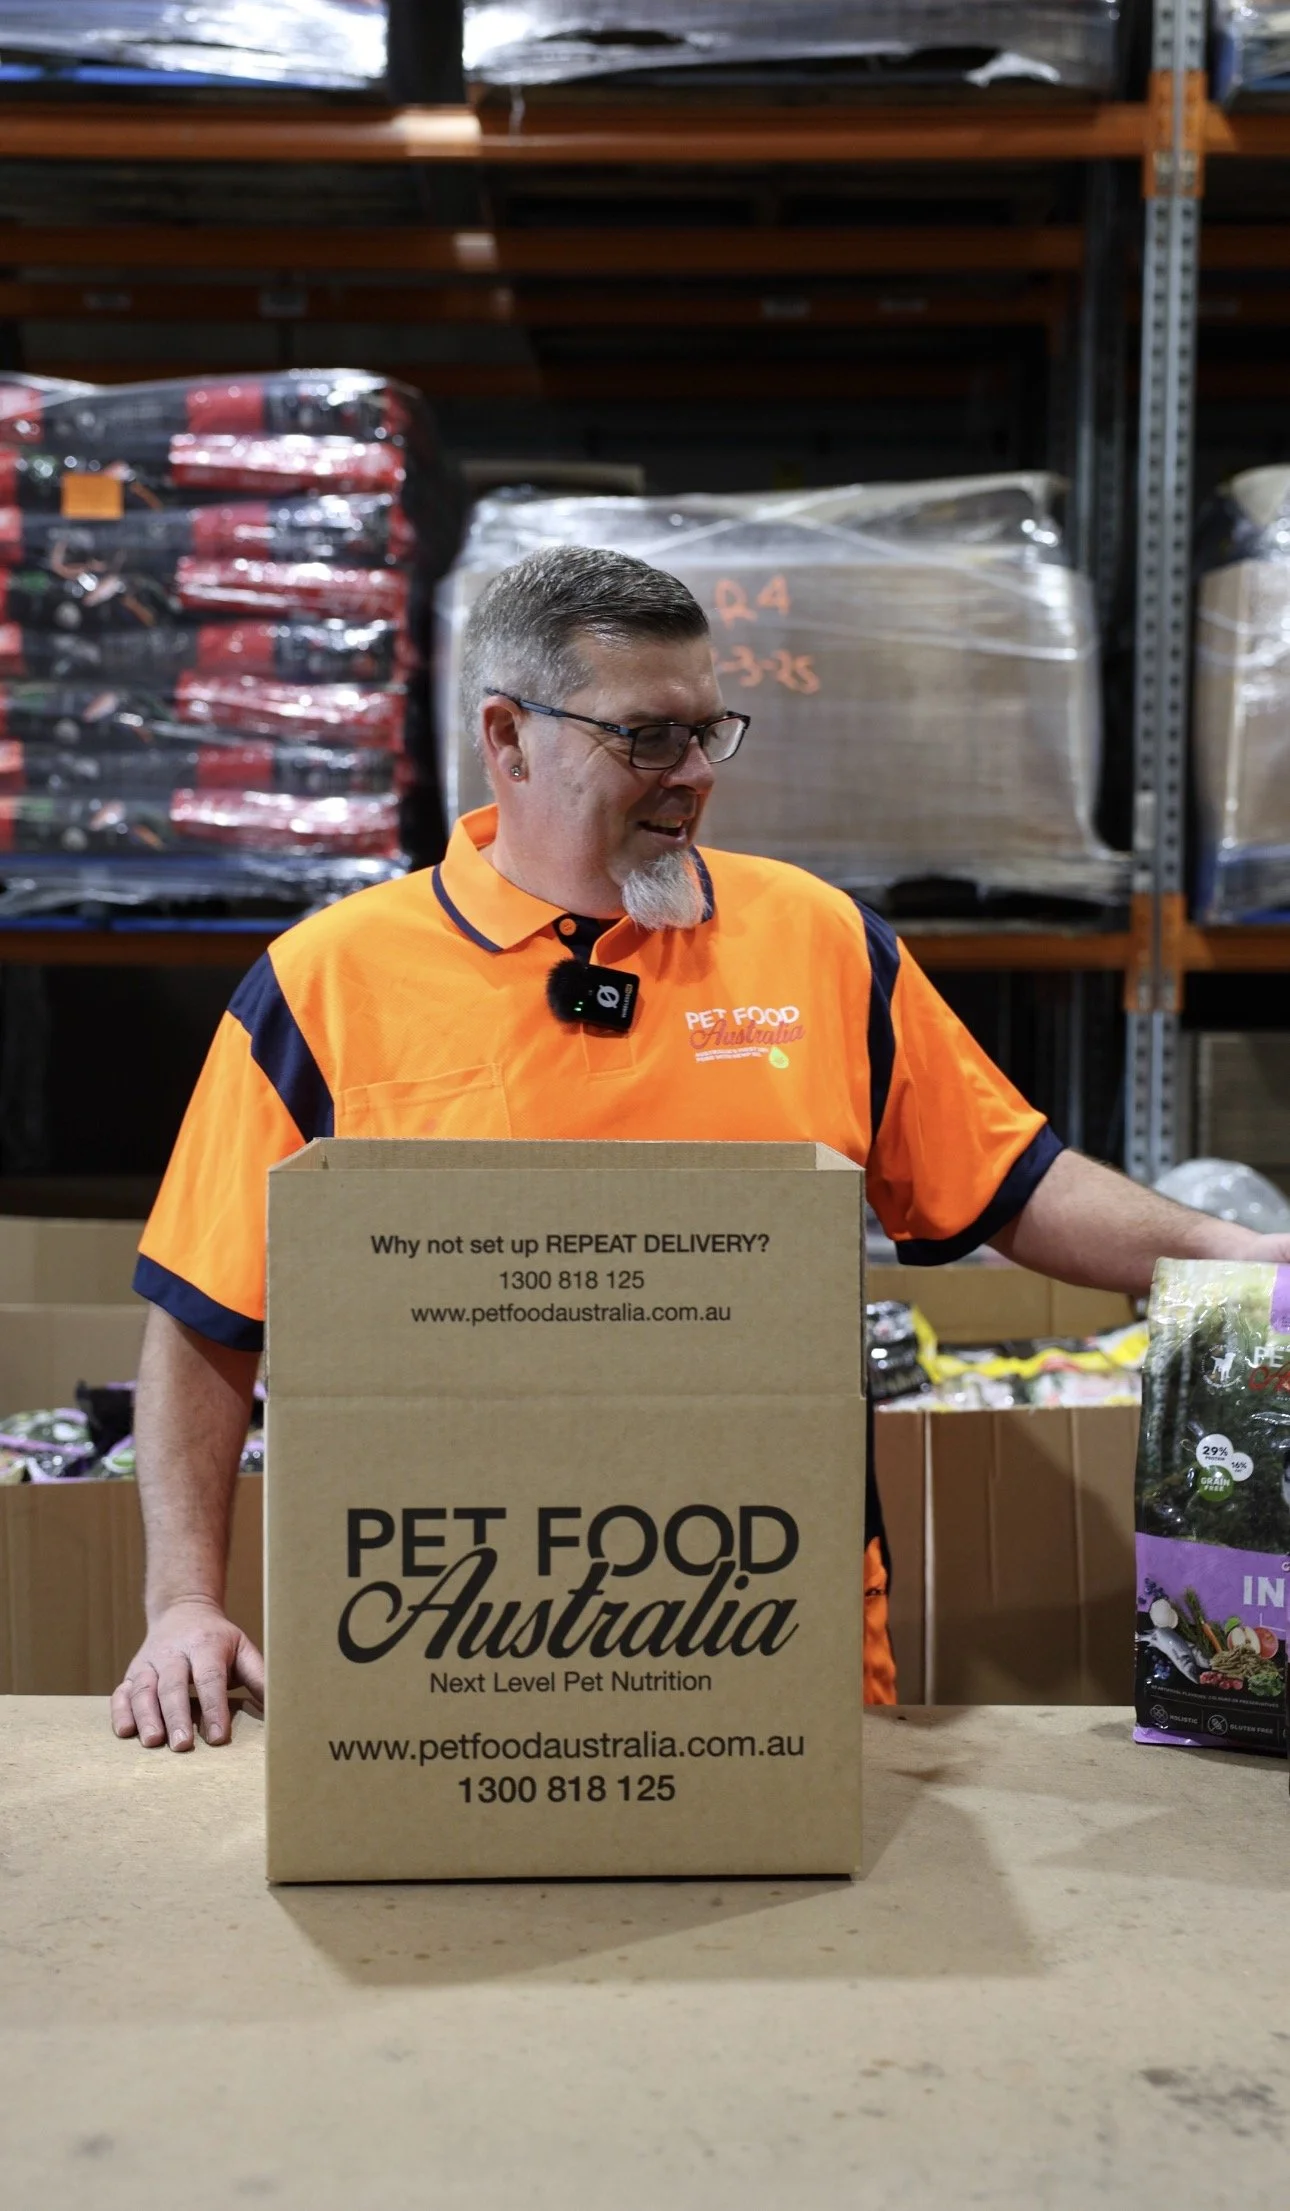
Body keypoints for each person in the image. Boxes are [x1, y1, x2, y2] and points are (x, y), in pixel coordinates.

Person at [112, 547, 1290, 1752]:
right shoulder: (329, 986)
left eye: (709, 733)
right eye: (645, 740)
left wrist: (1230, 1250)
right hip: (447, 1649)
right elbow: (208, 1314)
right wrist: (183, 1606)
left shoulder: (819, 944)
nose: (690, 779)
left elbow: (1010, 1181)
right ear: (508, 738)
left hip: (779, 1626)